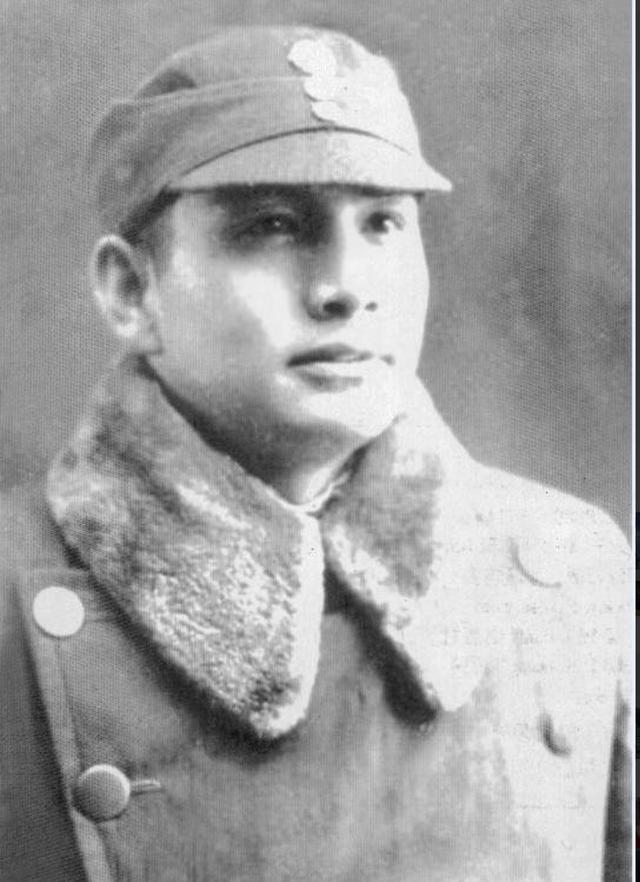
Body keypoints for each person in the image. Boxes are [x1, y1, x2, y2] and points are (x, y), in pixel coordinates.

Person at [0, 24, 631, 882]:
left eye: (383, 223)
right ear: (130, 291)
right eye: (272, 225)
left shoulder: (571, 572)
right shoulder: (14, 587)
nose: (347, 287)